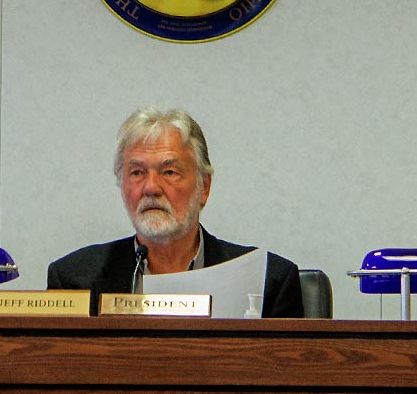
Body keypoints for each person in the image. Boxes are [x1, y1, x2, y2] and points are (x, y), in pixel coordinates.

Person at [47, 108, 304, 317]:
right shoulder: (75, 280)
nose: (150, 188)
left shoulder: (269, 282)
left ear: (205, 186)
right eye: (137, 173)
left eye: (169, 172)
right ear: (122, 185)